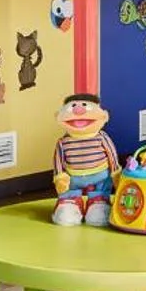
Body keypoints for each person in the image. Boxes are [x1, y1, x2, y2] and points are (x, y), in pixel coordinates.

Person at [51, 93, 118, 227]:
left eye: (84, 107)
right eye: (73, 107)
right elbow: (58, 161)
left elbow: (112, 155)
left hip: (100, 178)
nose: (78, 111)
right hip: (73, 179)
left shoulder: (102, 137)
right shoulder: (63, 142)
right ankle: (70, 202)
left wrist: (116, 172)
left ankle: (98, 201)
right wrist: (60, 177)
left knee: (98, 214)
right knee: (66, 216)